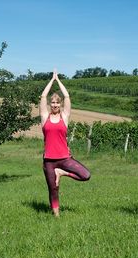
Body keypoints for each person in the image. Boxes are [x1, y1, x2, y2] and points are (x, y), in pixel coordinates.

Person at [39, 70, 91, 217]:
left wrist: (58, 80)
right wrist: (51, 80)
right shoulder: (45, 117)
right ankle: (56, 217)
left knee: (86, 175)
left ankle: (61, 173)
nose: (55, 105)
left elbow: (67, 96)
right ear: (50, 104)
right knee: (53, 189)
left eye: (57, 102)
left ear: (60, 104)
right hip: (49, 161)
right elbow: (43, 96)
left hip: (64, 158)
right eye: (53, 102)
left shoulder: (65, 116)